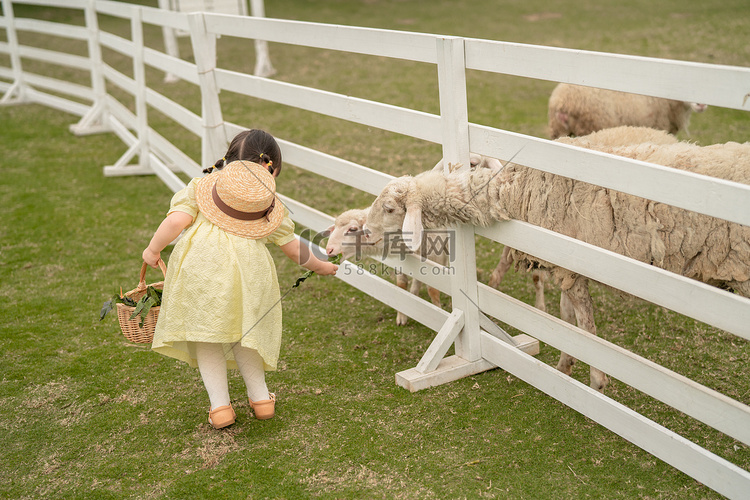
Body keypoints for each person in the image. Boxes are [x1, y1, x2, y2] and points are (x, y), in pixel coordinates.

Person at [142, 130, 338, 429]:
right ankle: (261, 400)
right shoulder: (269, 204)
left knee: (206, 333)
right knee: (247, 331)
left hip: (201, 267)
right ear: (271, 165)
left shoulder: (202, 185)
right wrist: (319, 265)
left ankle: (220, 408)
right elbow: (292, 247)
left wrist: (153, 249)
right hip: (250, 272)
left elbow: (176, 221)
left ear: (230, 156)